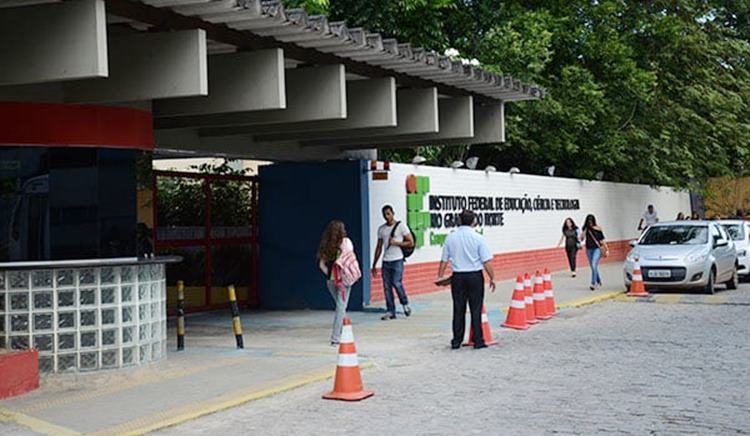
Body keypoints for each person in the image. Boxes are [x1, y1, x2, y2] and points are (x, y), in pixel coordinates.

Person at [436, 210, 496, 350]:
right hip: (475, 276)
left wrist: (440, 276)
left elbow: (444, 259)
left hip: (458, 277)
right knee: (476, 308)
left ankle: (456, 340)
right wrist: (492, 277)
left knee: (458, 308)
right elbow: (486, 261)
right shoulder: (478, 238)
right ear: (473, 221)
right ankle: (478, 341)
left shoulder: (450, 238)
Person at [371, 205, 414, 320]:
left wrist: (397, 243)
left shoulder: (401, 226)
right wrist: (374, 264)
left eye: (388, 214)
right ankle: (390, 310)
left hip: (397, 259)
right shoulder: (381, 229)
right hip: (386, 261)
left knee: (396, 283)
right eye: (384, 214)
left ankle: (405, 304)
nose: (387, 216)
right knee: (386, 287)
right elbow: (379, 247)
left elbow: (411, 242)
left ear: (393, 213)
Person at [317, 220, 355, 345]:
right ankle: (335, 337)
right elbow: (349, 259)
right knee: (341, 307)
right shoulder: (346, 242)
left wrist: (330, 274)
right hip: (343, 281)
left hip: (331, 281)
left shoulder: (326, 245)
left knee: (340, 306)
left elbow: (321, 265)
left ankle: (346, 330)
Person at [581, 214, 606, 291]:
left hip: (597, 249)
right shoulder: (585, 229)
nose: (590, 222)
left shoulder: (598, 229)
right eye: (588, 221)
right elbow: (581, 239)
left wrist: (606, 249)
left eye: (591, 221)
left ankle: (593, 283)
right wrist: (585, 230)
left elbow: (602, 240)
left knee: (594, 264)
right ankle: (598, 281)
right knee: (593, 266)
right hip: (589, 249)